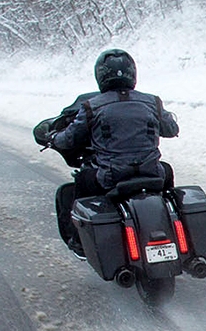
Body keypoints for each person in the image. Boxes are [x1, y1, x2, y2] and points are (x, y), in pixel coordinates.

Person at [35, 49, 178, 257]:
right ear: (132, 73)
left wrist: (53, 138)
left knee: (83, 180)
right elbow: (172, 130)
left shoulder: (91, 106)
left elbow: (70, 139)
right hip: (152, 173)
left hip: (111, 177)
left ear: (100, 76)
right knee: (167, 171)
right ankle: (170, 223)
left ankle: (79, 241)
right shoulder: (152, 102)